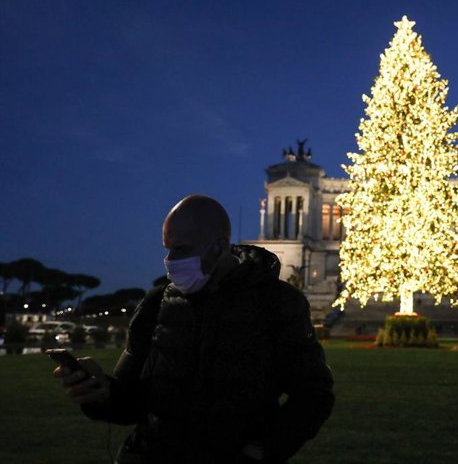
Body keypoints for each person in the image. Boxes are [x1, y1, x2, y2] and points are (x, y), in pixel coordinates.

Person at [54, 195, 335, 463]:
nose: (171, 260)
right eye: (168, 248)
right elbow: (131, 401)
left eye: (182, 249)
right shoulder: (156, 303)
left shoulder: (276, 302)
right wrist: (100, 393)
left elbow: (314, 395)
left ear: (219, 246)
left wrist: (259, 452)